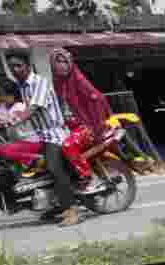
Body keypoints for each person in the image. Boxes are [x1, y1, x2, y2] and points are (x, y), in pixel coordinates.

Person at [5, 51, 76, 227]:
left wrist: (14, 120)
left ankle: (72, 210)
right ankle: (55, 204)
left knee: (54, 168)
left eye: (18, 65)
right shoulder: (23, 87)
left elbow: (34, 108)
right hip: (40, 136)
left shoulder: (39, 82)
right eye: (11, 66)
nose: (15, 69)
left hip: (55, 134)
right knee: (26, 164)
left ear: (28, 66)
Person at [49, 48, 111, 196]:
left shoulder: (78, 80)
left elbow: (98, 99)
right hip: (71, 126)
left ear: (70, 63)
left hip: (87, 125)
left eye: (64, 61)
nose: (61, 65)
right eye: (57, 62)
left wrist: (97, 128)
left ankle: (89, 178)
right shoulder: (58, 82)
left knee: (68, 145)